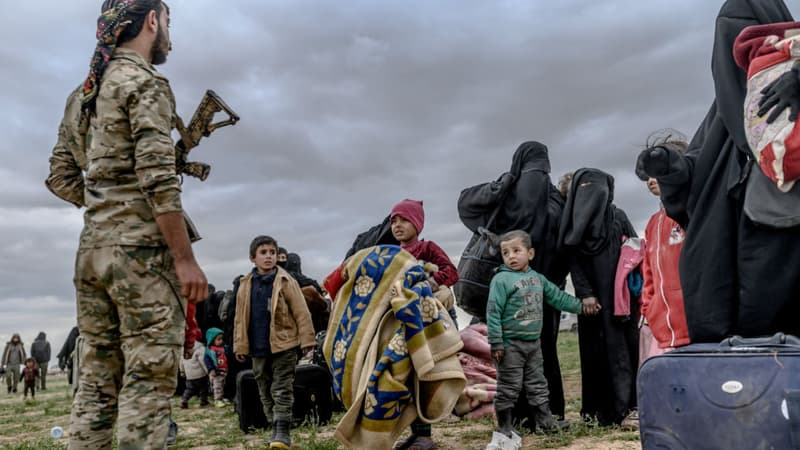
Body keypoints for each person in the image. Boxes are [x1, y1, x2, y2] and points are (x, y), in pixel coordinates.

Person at [67, 2, 208, 448]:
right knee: (148, 385)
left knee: (94, 387)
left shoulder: (83, 95)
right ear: (151, 20)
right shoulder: (144, 82)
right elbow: (157, 178)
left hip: (92, 252)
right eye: (167, 21)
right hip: (141, 258)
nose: (168, 32)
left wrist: (106, 204)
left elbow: (60, 174)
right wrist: (186, 261)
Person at [635, 0, 798, 342]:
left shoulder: (791, 82)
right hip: (724, 262)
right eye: (729, 38)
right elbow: (694, 176)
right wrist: (667, 165)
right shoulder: (722, 116)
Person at [457, 142, 571, 424]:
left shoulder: (510, 198)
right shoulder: (553, 201)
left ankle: (524, 416)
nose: (536, 176)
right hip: (540, 291)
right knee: (539, 353)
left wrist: (506, 183)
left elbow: (467, 204)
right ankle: (546, 413)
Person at [487, 230, 598, 443]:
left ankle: (545, 422)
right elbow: (493, 312)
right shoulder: (501, 280)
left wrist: (581, 307)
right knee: (509, 388)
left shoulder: (537, 279)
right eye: (505, 252)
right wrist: (496, 342)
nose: (511, 256)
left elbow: (557, 298)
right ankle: (505, 427)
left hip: (533, 344)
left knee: (538, 384)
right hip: (510, 346)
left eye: (516, 251)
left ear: (530, 253)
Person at [558, 168, 639, 426]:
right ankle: (598, 412)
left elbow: (634, 248)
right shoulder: (572, 221)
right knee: (594, 353)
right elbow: (572, 259)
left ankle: (627, 409)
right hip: (592, 302)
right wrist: (585, 294)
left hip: (621, 299)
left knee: (623, 351)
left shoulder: (618, 216)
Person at [387, 199, 460, 450]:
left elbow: (452, 271)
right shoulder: (392, 254)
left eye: (404, 220)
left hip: (426, 326)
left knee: (424, 375)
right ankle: (416, 433)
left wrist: (428, 284)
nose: (397, 225)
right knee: (405, 379)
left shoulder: (427, 248)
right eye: (393, 221)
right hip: (402, 326)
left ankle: (426, 435)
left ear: (417, 223)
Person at [233, 236, 315, 449]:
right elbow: (240, 318)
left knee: (282, 387)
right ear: (253, 258)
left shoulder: (286, 280)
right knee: (264, 386)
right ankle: (273, 425)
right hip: (258, 346)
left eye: (272, 252)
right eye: (263, 252)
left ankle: (282, 430)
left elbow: (301, 311)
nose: (269, 256)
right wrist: (239, 345)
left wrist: (307, 339)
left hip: (284, 344)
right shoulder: (245, 284)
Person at [638, 132, 690, 360]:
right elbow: (648, 271)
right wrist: (649, 307)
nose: (651, 180)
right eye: (648, 175)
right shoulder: (653, 223)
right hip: (661, 332)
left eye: (658, 173)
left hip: (694, 331)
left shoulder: (694, 213)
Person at [180, 340, 209, 408]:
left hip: (189, 375)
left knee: (189, 389)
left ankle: (184, 400)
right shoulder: (200, 348)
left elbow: (181, 362)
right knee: (203, 388)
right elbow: (203, 361)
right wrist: (208, 371)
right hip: (200, 374)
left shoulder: (183, 348)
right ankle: (203, 401)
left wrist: (182, 371)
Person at [204, 328, 228, 408]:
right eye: (218, 339)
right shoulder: (209, 351)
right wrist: (211, 369)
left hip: (223, 370)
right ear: (212, 339)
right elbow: (207, 361)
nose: (221, 341)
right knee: (217, 385)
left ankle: (221, 398)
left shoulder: (223, 348)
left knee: (222, 385)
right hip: (215, 372)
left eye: (221, 339)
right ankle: (217, 399)